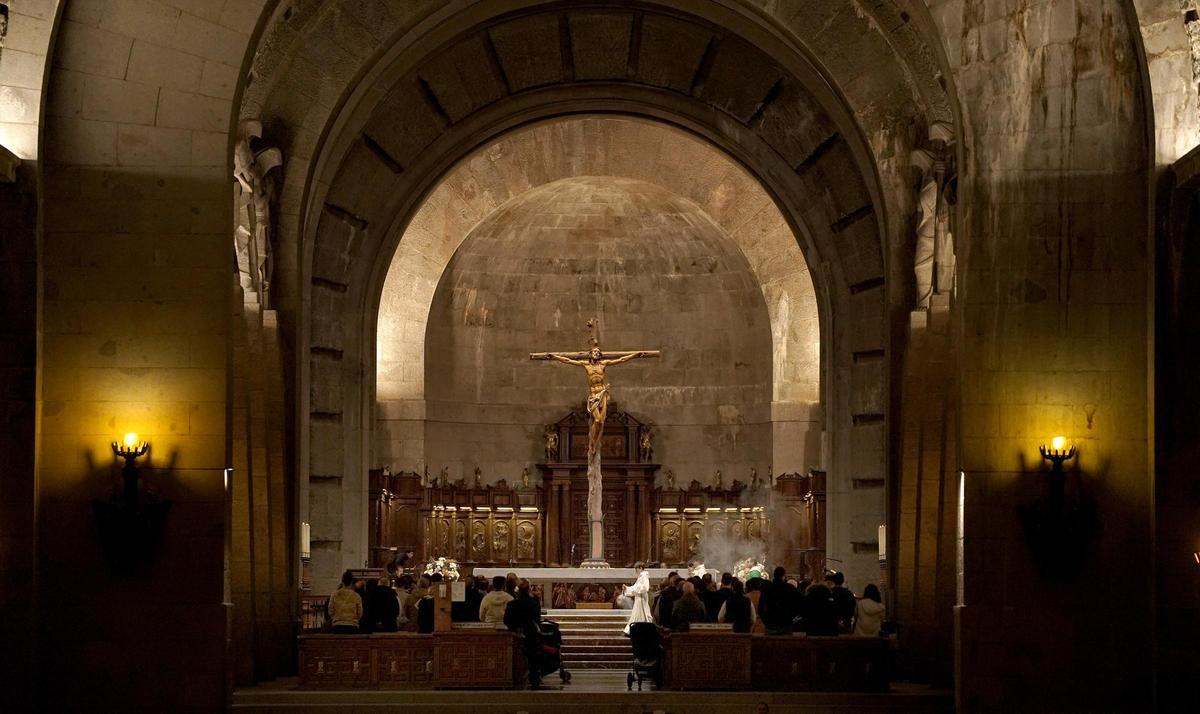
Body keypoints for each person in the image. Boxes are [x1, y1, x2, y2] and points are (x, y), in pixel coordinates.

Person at [504, 579, 544, 688]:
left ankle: (515, 677)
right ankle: (534, 679)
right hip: (530, 631)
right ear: (528, 590)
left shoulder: (512, 604)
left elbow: (506, 620)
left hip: (516, 633)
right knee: (533, 656)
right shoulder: (533, 603)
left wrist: (514, 627)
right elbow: (537, 618)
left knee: (516, 656)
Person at [759, 566, 800, 635]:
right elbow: (800, 603)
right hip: (786, 624)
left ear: (774, 575)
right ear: (784, 576)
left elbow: (761, 607)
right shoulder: (790, 588)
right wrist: (792, 619)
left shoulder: (767, 589)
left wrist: (766, 621)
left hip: (771, 625)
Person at [328, 570, 363, 634]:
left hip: (337, 626)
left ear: (342, 581)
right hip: (352, 626)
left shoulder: (334, 595)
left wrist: (336, 618)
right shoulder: (356, 596)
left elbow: (330, 611)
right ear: (351, 582)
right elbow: (360, 613)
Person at [622, 562, 653, 635]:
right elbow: (635, 587)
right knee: (637, 614)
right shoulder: (640, 576)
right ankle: (632, 630)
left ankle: (634, 631)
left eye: (637, 568)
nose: (635, 570)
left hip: (642, 598)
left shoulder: (644, 576)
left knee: (641, 614)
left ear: (641, 568)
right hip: (639, 598)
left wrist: (635, 590)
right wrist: (627, 588)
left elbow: (645, 587)